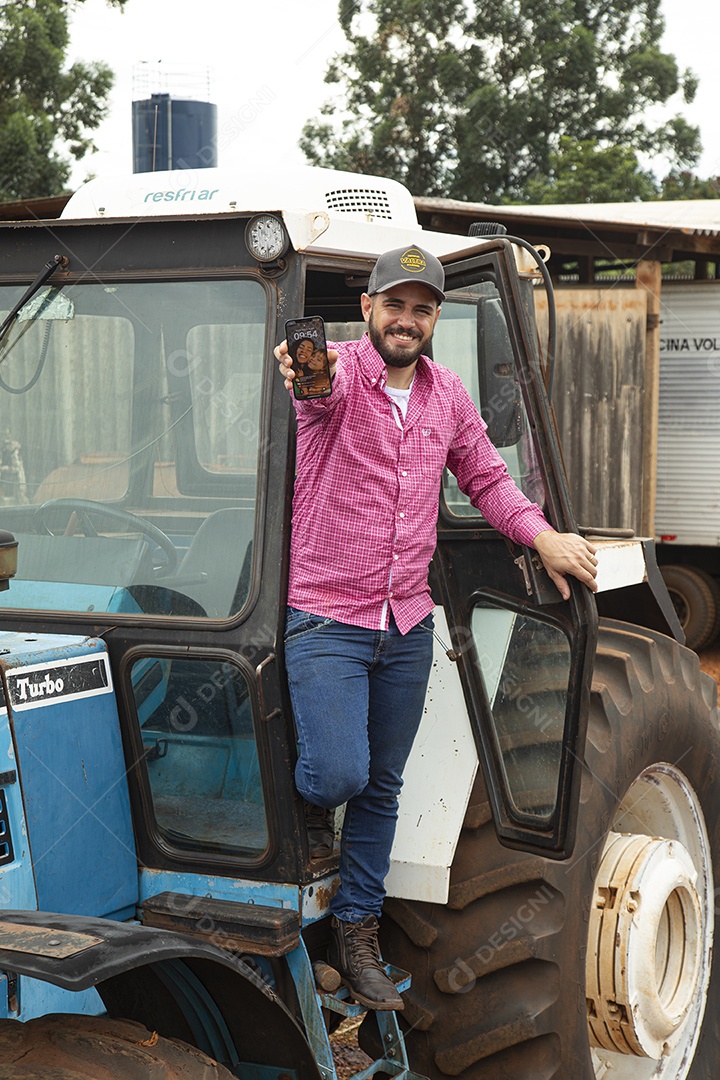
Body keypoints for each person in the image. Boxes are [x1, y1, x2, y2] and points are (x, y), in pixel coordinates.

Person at [274, 245, 598, 1012]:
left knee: (383, 787)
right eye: (394, 305)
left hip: (407, 623)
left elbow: (487, 477)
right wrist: (302, 366)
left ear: (434, 320)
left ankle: (357, 934)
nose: (406, 320)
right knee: (339, 776)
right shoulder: (337, 375)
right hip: (328, 615)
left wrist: (543, 536)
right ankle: (311, 808)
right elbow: (311, 389)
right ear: (368, 308)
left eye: (421, 310)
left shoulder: (447, 394)